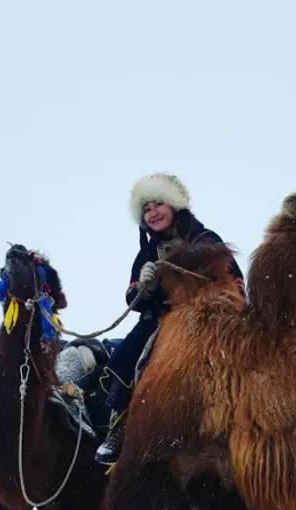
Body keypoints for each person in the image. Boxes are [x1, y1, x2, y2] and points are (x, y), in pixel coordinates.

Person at [95, 173, 244, 465]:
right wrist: (145, 285)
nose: (153, 213)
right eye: (146, 209)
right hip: (159, 321)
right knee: (127, 357)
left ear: (174, 205)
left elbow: (235, 281)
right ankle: (121, 423)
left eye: (158, 204)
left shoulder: (206, 239)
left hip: (206, 320)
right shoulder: (146, 253)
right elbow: (133, 298)